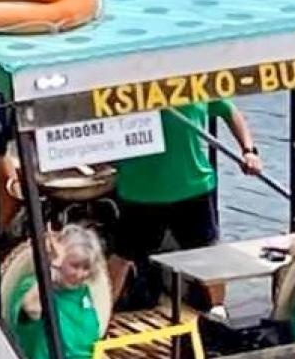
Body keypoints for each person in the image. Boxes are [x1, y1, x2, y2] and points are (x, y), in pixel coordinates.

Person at [107, 100, 262, 311]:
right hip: (139, 191)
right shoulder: (126, 88)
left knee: (209, 253)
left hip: (193, 186)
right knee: (122, 256)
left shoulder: (192, 83)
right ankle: (99, 320)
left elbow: (229, 110)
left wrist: (249, 150)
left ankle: (218, 313)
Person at [6, 224, 107, 359]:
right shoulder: (32, 286)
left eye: (85, 267)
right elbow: (32, 310)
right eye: (74, 266)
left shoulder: (83, 292)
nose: (80, 274)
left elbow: (91, 347)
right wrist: (53, 267)